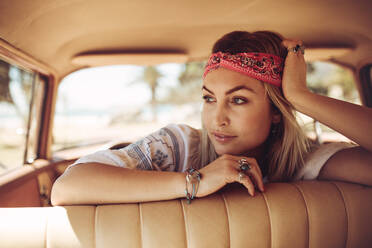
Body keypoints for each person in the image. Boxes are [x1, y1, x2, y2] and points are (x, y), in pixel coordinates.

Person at [51, 31, 372, 206]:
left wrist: (303, 98)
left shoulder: (303, 161)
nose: (217, 118)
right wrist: (197, 180)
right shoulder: (179, 146)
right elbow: (67, 187)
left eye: (238, 100)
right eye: (209, 98)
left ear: (277, 111)